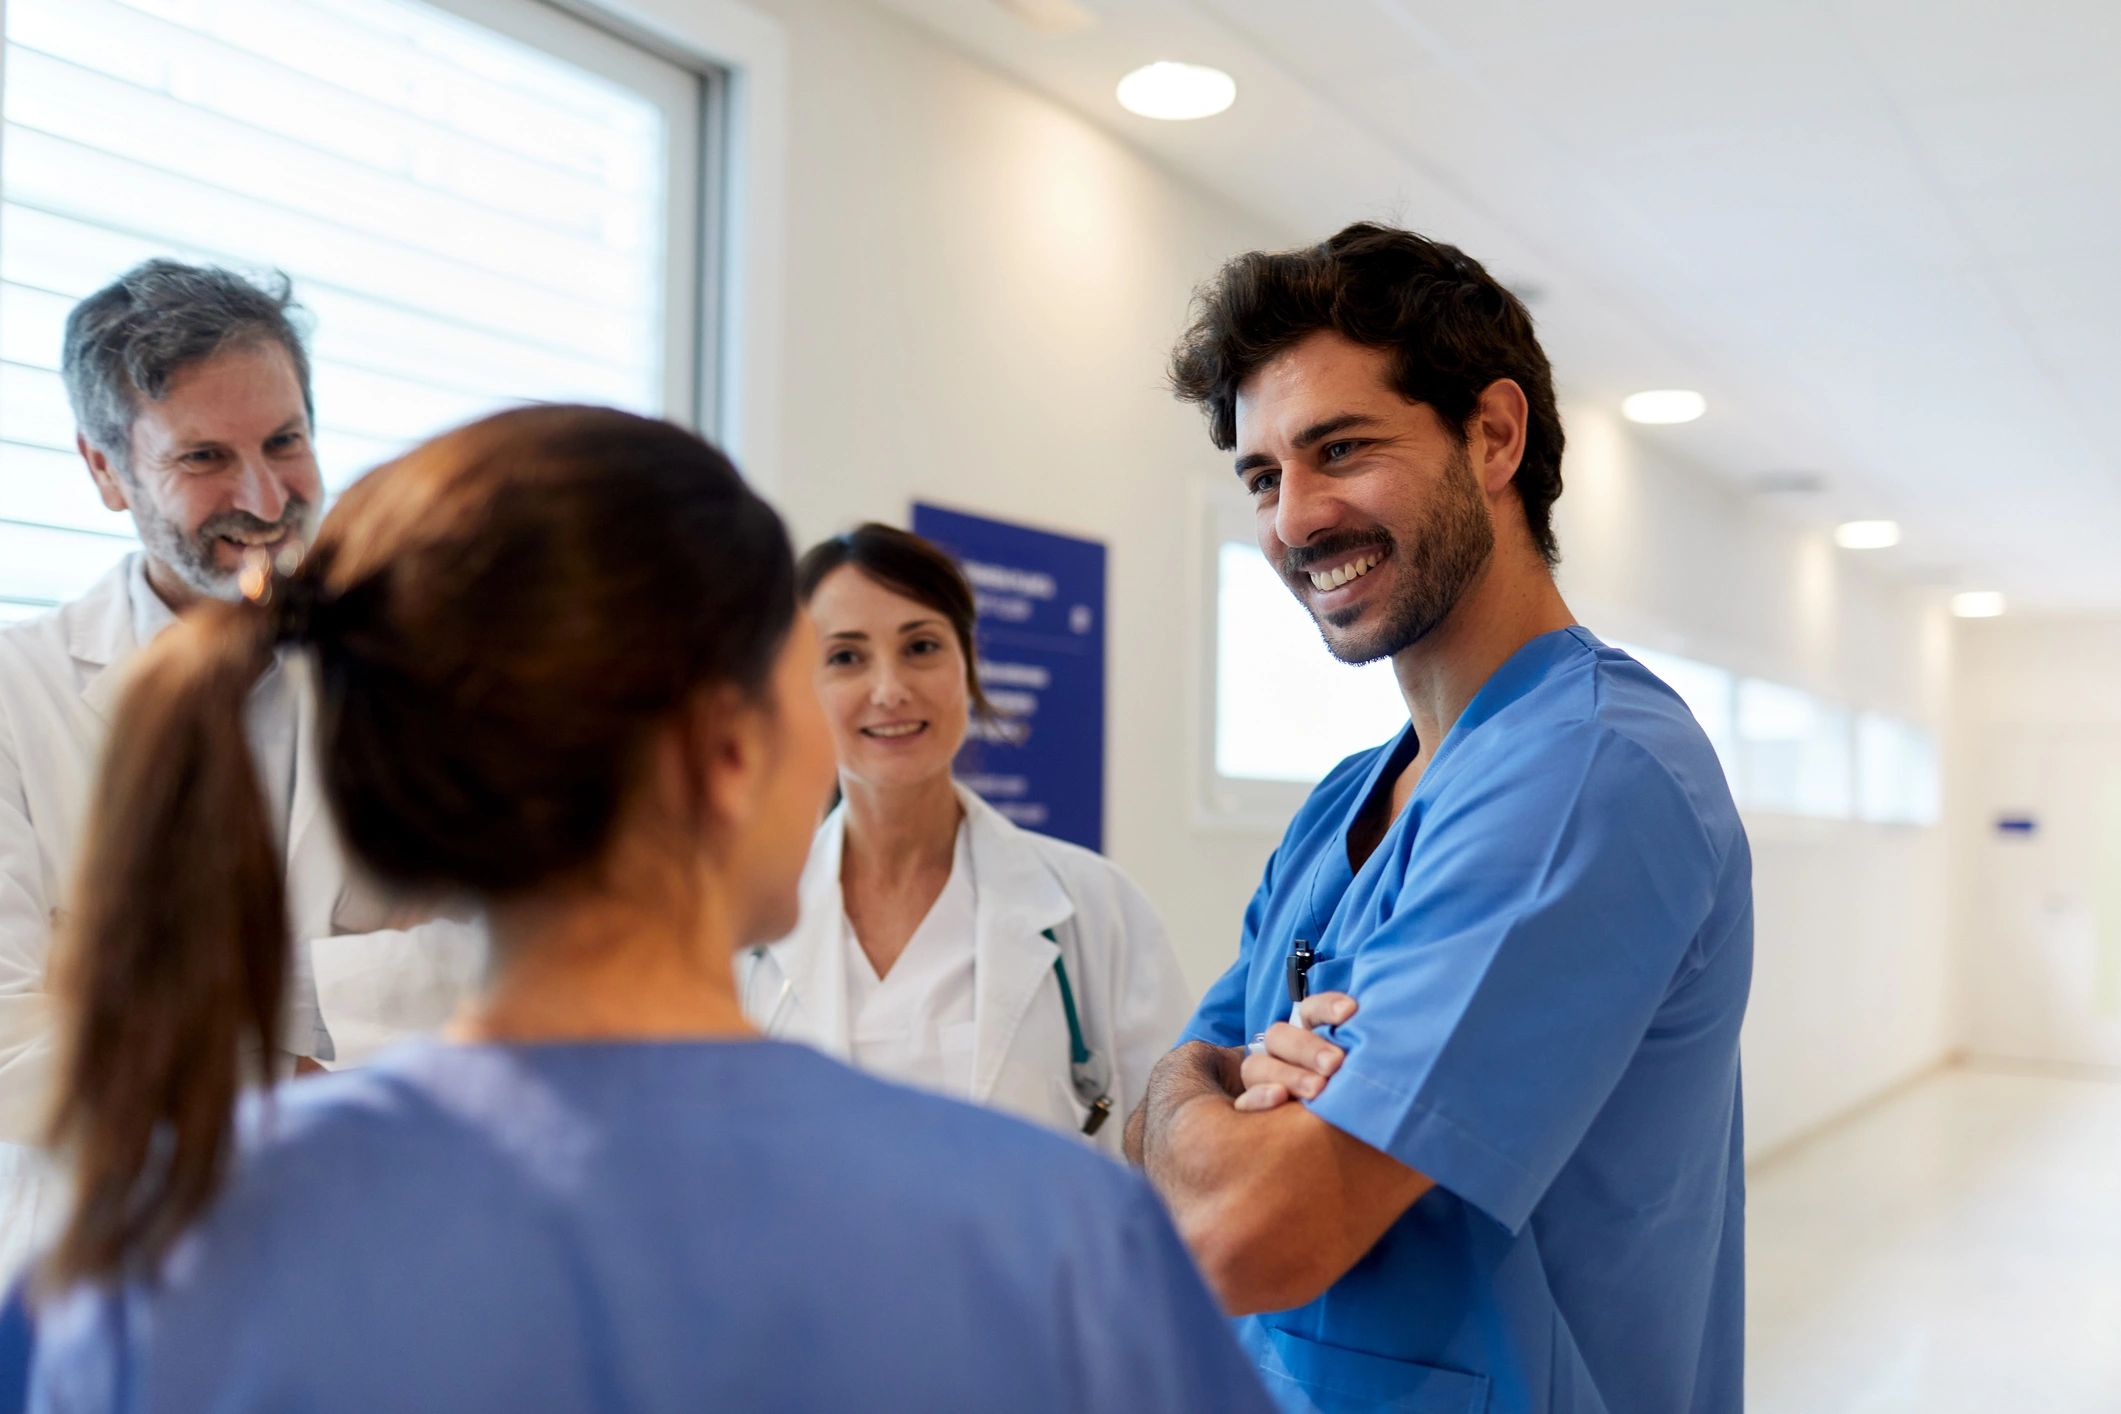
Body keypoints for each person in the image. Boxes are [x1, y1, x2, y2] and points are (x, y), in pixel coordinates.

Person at [10, 406, 1272, 1414]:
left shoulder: (140, 1256)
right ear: (728, 753)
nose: (875, 698)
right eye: (816, 673)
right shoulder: (1056, 1249)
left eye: (919, 648)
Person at [1124, 224, 1752, 1413]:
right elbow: (1165, 1136)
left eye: (1341, 449)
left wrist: (1205, 1099)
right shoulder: (1344, 805)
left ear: (1494, 435)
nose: (1296, 519)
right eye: (1263, 477)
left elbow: (1248, 1228)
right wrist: (1191, 1090)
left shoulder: (1589, 775)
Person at [0, 261, 480, 1277]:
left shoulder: (426, 670)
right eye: (206, 456)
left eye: (286, 440)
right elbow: (9, 1048)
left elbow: (495, 964)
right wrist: (329, 1015)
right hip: (116, 1262)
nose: (265, 496)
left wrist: (161, 995)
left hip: (369, 1252)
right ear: (103, 468)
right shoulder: (16, 692)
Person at [740, 525, 1190, 1153]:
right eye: (845, 656)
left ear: (968, 662)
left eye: (921, 646)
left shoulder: (1097, 910)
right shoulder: (744, 931)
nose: (890, 689)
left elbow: (1172, 1161)